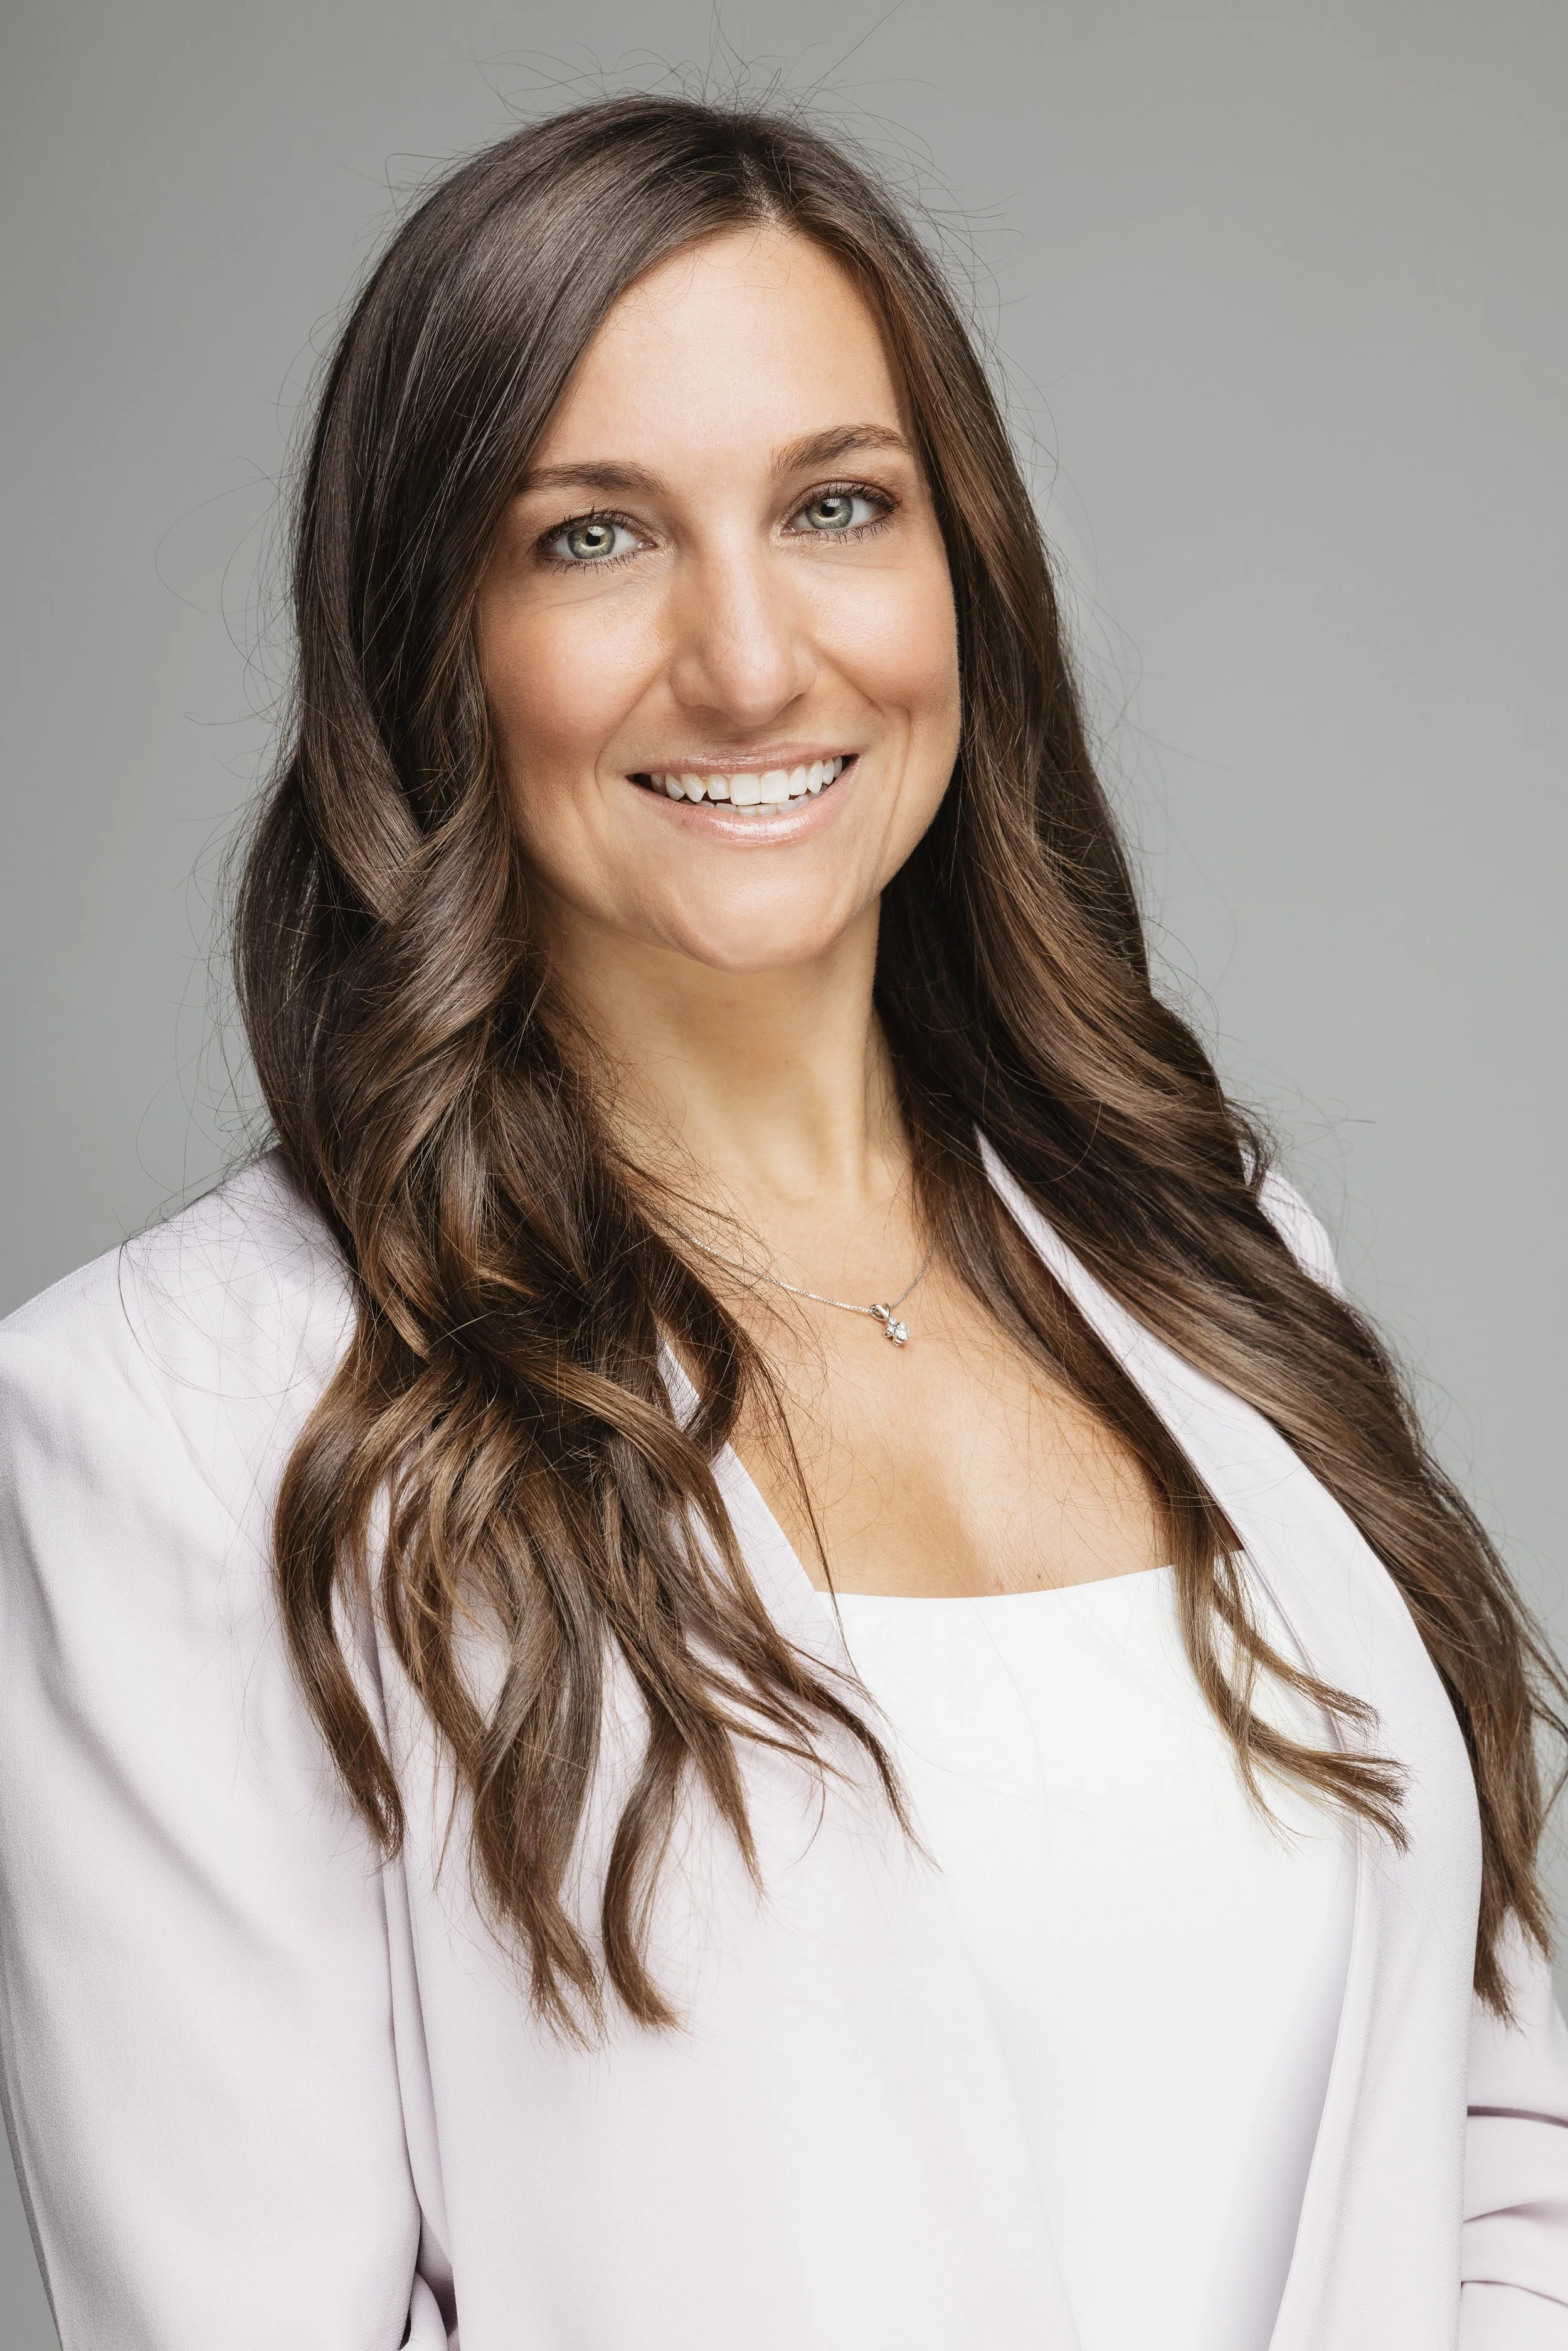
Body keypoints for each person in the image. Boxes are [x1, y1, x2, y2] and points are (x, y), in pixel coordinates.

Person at [1, 94, 1565, 2351]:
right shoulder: (176, 1427)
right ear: (428, 632)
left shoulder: (1211, 1254)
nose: (750, 660)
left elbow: (1491, 2170)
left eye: (838, 506)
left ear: (963, 568)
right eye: (592, 538)